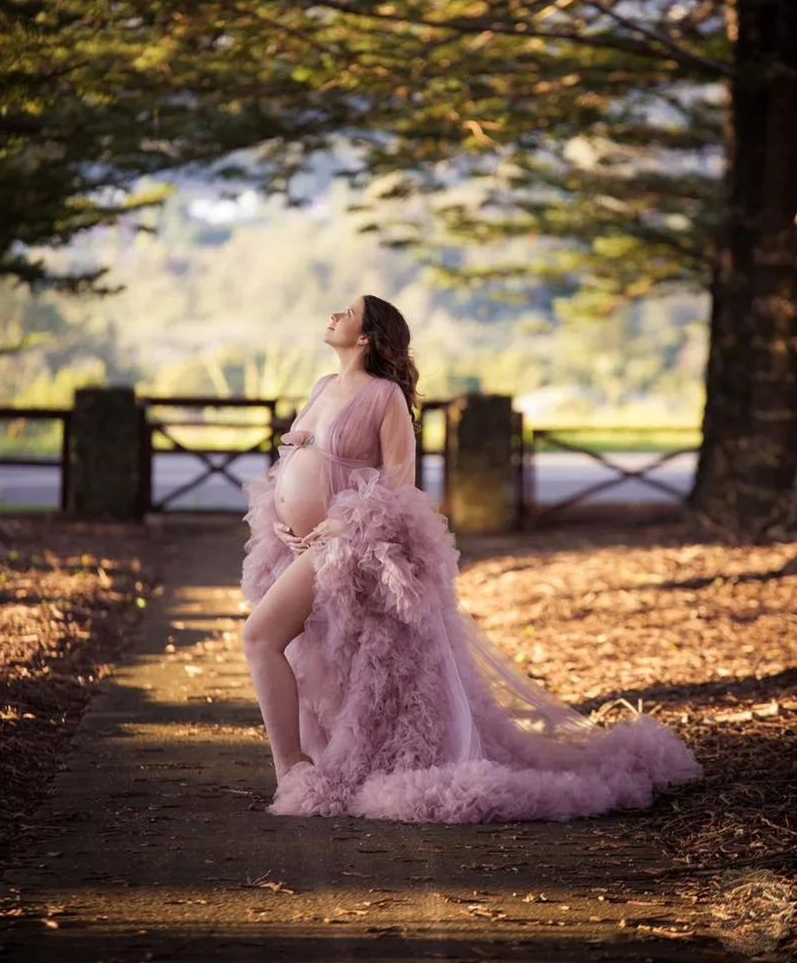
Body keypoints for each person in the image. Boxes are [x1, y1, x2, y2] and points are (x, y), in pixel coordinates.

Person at [240, 294, 702, 822]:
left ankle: (291, 773)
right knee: (307, 656)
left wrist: (339, 523)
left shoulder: (384, 395)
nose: (332, 316)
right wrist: (281, 515)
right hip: (302, 542)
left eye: (346, 313)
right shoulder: (323, 388)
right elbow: (300, 460)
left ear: (367, 336)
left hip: (348, 546)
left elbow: (398, 482)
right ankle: (300, 765)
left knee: (260, 635)